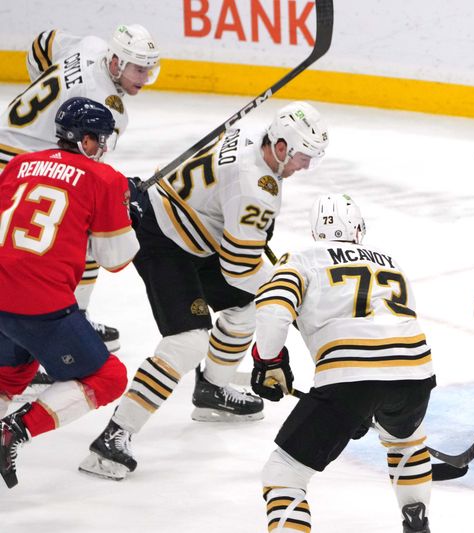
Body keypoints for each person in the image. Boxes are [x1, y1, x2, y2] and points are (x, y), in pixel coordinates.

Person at [78, 101, 330, 481]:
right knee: (188, 340)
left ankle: (212, 390)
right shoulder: (257, 190)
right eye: (303, 157)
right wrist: (289, 292)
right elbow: (240, 268)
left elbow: (238, 257)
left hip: (194, 231)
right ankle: (114, 436)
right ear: (281, 147)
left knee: (246, 307)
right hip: (163, 238)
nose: (305, 166)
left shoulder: (246, 134)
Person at [250, 194, 436, 532]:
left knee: (284, 472)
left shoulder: (301, 259)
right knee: (406, 441)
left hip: (351, 377)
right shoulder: (389, 262)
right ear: (359, 228)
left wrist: (268, 361)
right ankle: (417, 521)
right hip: (416, 372)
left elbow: (273, 310)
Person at [0, 97, 139, 488]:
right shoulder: (104, 179)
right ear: (86, 140)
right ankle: (14, 431)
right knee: (108, 377)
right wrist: (127, 215)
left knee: (9, 374)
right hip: (39, 302)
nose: (104, 148)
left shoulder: (17, 164)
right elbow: (115, 259)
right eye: (101, 140)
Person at [1, 24, 161, 352]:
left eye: (149, 70)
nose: (144, 79)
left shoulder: (90, 44)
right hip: (21, 165)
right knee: (83, 236)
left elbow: (43, 43)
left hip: (9, 145)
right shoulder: (107, 105)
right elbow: (90, 168)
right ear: (115, 61)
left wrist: (48, 103)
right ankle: (68, 324)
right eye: (139, 70)